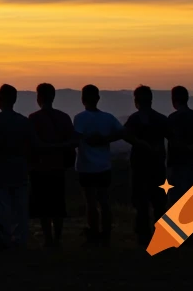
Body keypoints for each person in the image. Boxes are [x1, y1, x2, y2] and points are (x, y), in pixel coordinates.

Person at [73, 84, 124, 245]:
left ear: (82, 99)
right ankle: (106, 235)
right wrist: (106, 139)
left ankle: (93, 233)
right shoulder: (108, 118)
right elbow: (122, 132)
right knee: (104, 201)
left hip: (85, 166)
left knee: (90, 203)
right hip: (104, 166)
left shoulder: (80, 118)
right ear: (98, 98)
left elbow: (76, 138)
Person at [27, 82, 76, 248]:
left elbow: (32, 144)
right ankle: (57, 238)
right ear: (53, 97)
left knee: (43, 205)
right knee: (57, 204)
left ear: (39, 97)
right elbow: (72, 141)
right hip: (58, 166)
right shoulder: (63, 117)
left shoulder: (34, 119)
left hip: (39, 167)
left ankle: (48, 239)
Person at [0, 84, 32, 248]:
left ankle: (3, 238)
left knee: (0, 207)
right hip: (19, 168)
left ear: (0, 100)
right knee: (20, 206)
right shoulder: (24, 121)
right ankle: (20, 239)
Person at [123, 85, 169, 247]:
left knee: (141, 203)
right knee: (159, 202)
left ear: (136, 101)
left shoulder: (134, 120)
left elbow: (126, 135)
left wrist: (140, 143)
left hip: (139, 166)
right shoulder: (161, 119)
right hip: (157, 165)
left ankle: (143, 236)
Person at [166, 84, 193, 243]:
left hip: (176, 163)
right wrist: (192, 147)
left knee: (176, 198)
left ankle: (178, 235)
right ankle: (190, 234)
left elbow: (171, 139)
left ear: (174, 100)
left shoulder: (172, 119)